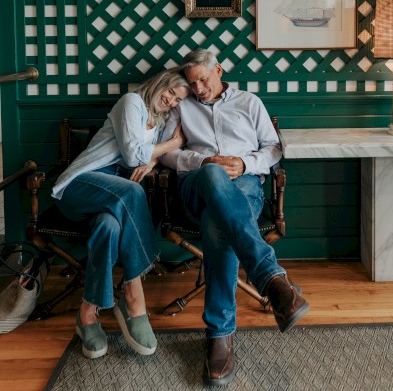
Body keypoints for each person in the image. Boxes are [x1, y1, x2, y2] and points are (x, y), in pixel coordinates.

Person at [160, 49, 309, 387]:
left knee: (218, 224)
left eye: (203, 80)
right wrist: (203, 163)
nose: (198, 89)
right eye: (192, 83)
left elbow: (273, 149)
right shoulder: (182, 105)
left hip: (244, 187)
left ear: (219, 70)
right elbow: (166, 152)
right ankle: (272, 279)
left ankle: (219, 337)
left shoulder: (249, 102)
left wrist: (244, 165)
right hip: (195, 187)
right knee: (213, 177)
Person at [51, 68, 190, 359]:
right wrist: (174, 143)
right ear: (160, 83)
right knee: (132, 191)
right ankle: (134, 293)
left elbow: (151, 156)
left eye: (178, 100)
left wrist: (152, 162)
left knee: (109, 228)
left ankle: (87, 313)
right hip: (81, 183)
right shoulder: (131, 102)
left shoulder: (162, 120)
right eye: (171, 93)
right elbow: (132, 155)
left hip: (111, 198)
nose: (172, 101)